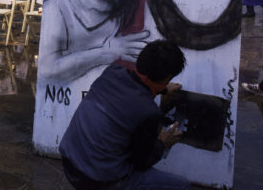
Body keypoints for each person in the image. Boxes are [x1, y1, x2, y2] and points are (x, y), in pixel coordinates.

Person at [59, 39, 190, 190]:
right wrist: (163, 143)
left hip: (70, 165)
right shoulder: (149, 112)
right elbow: (141, 163)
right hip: (98, 182)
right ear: (166, 78)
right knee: (183, 186)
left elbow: (138, 85)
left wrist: (163, 89)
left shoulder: (112, 72)